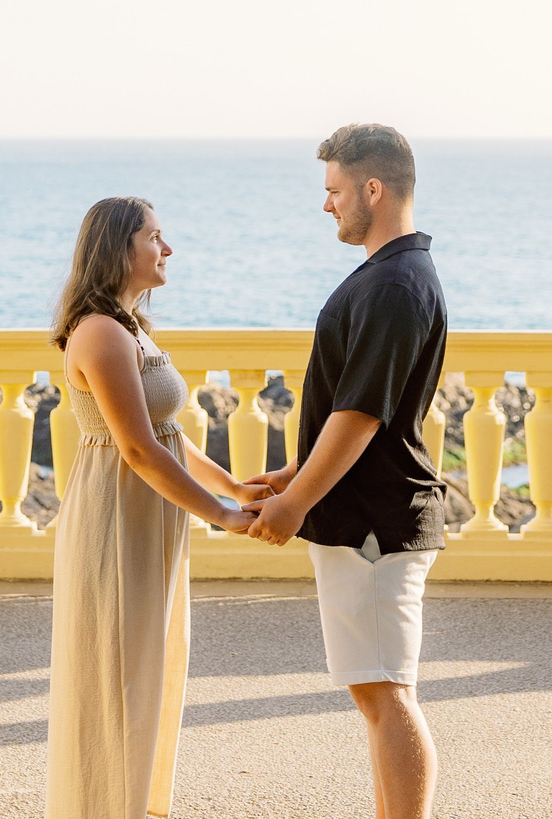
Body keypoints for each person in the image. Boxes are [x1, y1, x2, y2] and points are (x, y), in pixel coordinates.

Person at [240, 123, 448, 819]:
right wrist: (297, 470)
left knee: (386, 691)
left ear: (373, 188)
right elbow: (362, 410)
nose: (326, 204)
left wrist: (297, 501)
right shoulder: (389, 275)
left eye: (334, 190)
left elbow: (360, 415)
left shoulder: (394, 283)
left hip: (375, 526)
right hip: (369, 517)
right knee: (378, 690)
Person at [45, 195, 261, 819]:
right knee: (117, 677)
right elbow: (136, 449)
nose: (168, 249)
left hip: (146, 515)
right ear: (119, 249)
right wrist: (219, 515)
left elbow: (168, 434)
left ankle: (137, 806)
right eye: (155, 236)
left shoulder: (130, 325)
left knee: (150, 671)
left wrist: (235, 488)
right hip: (117, 517)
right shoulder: (102, 333)